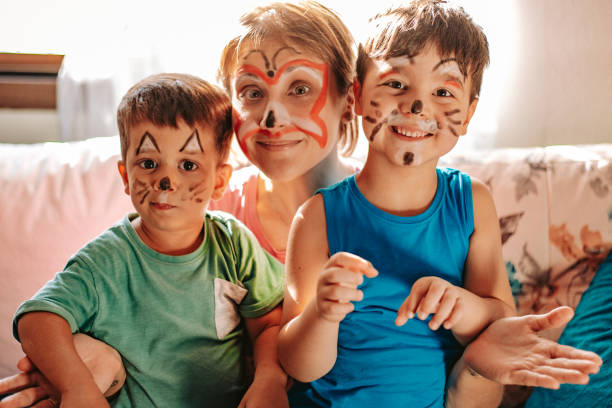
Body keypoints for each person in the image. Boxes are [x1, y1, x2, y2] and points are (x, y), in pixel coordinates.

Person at [0, 2, 602, 407]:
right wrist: (77, 374)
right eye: (251, 93)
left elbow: (493, 327)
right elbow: (134, 304)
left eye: (299, 89)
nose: (271, 115)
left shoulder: (441, 199)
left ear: (349, 99)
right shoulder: (205, 209)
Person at [277, 1, 601, 407]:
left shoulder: (471, 202)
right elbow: (297, 365)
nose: (418, 107)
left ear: (467, 114)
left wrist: (461, 307)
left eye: (443, 91)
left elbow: (501, 322)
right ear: (357, 96)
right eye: (396, 84)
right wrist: (321, 314)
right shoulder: (317, 216)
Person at [8, 73, 287, 407]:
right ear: (126, 176)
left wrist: (269, 376)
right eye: (149, 163)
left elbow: (268, 322)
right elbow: (38, 318)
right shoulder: (106, 260)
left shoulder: (233, 243)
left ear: (219, 180)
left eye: (188, 164)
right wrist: (75, 386)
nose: (166, 181)